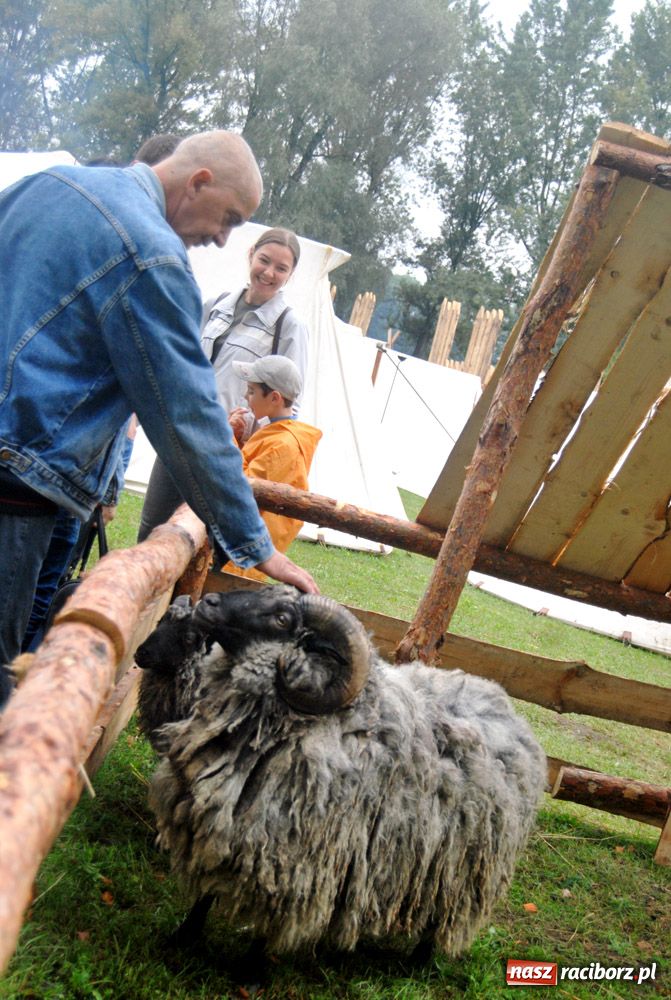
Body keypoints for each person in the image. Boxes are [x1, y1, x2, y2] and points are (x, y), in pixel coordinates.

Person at [0, 129, 318, 704]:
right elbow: (188, 413)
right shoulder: (151, 256)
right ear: (198, 181)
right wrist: (256, 545)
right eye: (228, 217)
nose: (222, 238)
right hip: (18, 485)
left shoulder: (42, 186)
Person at [20, 136, 184, 654]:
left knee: (48, 580)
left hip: (71, 478)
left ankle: (31, 661)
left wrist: (106, 492)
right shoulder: (135, 251)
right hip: (32, 470)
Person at [137, 226, 309, 541]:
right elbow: (183, 361)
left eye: (281, 268)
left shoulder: (289, 326)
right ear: (251, 255)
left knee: (200, 540)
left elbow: (288, 401)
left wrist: (254, 445)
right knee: (152, 529)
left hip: (228, 453)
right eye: (264, 260)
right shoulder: (216, 305)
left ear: (291, 274)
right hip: (182, 434)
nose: (269, 273)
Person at [223, 355, 322, 582]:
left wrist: (227, 439)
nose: (246, 397)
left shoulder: (283, 445)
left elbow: (243, 488)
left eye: (251, 391)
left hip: (241, 558)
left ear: (275, 398)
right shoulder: (276, 433)